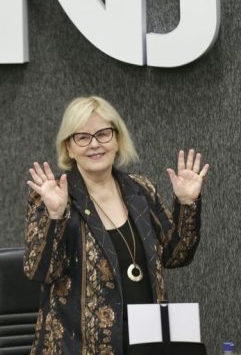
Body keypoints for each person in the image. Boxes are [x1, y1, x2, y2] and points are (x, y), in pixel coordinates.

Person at [23, 96, 209, 355]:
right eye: (83, 137)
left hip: (146, 343)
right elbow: (41, 272)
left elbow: (176, 255)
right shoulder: (53, 194)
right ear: (69, 147)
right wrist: (55, 216)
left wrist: (187, 204)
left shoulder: (140, 190)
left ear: (118, 139)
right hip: (78, 346)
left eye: (103, 133)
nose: (95, 144)